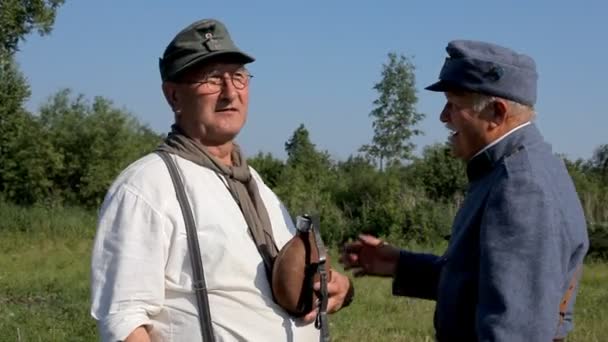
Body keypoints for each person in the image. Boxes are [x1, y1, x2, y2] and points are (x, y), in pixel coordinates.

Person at [90, 18, 353, 342]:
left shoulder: (258, 186)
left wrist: (334, 289)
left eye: (239, 77)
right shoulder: (146, 187)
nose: (230, 92)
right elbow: (124, 321)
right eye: (212, 79)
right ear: (173, 95)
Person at [340, 40, 589, 341]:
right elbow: (482, 281)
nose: (443, 117)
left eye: (455, 105)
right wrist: (399, 263)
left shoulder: (522, 187)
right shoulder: (514, 168)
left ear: (497, 113)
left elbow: (514, 330)